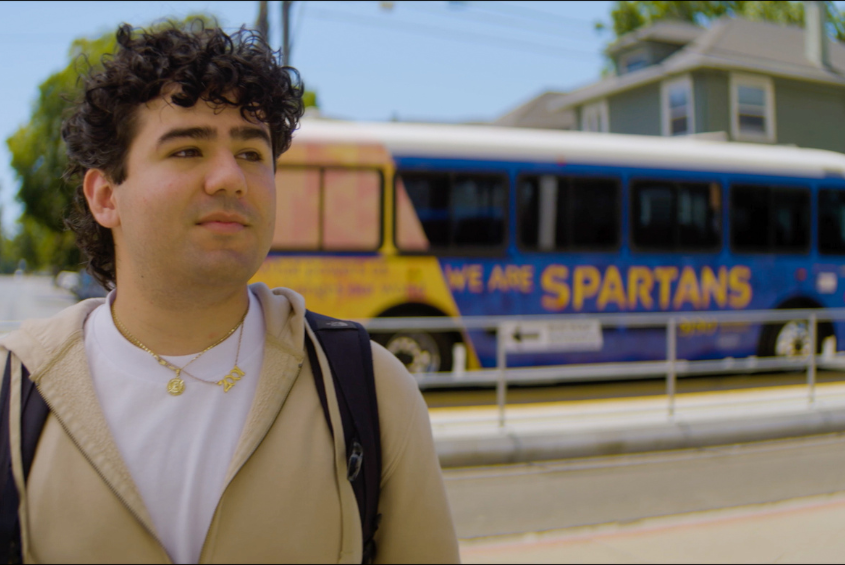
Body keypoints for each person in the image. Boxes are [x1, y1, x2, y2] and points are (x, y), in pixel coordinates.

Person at [0, 21, 459, 564]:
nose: (229, 178)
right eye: (187, 150)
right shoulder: (15, 394)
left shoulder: (369, 390)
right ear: (105, 196)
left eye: (250, 154)